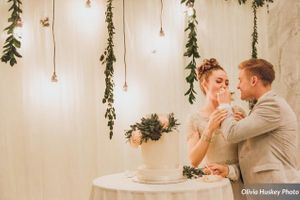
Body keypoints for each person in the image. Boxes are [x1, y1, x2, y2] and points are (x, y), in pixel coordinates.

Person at [216, 58, 299, 184]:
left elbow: (231, 133)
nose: (237, 86)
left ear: (253, 80)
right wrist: (229, 170)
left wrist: (224, 105)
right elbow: (259, 157)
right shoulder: (263, 106)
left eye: (240, 80)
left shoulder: (272, 105)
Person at [186, 58, 245, 199]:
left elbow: (251, 152)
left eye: (227, 83)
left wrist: (244, 127)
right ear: (204, 83)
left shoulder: (238, 111)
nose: (224, 86)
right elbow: (193, 161)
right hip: (214, 186)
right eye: (218, 81)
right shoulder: (195, 119)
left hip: (239, 181)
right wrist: (209, 128)